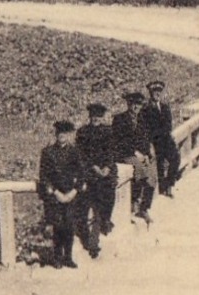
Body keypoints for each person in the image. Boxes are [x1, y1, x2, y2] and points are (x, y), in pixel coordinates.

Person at [37, 121, 85, 268]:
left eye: (64, 133)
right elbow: (43, 176)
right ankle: (57, 257)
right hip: (55, 196)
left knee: (70, 226)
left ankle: (68, 257)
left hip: (70, 194)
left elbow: (82, 173)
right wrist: (56, 192)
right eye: (59, 133)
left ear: (69, 135)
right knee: (58, 226)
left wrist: (74, 191)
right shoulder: (48, 152)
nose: (61, 136)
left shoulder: (75, 152)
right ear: (55, 134)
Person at [76, 102, 118, 256]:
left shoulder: (109, 131)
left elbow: (112, 151)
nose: (96, 119)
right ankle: (93, 243)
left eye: (99, 116)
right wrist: (94, 167)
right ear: (90, 116)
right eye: (94, 116)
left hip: (106, 173)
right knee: (94, 204)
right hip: (90, 172)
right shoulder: (83, 132)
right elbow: (81, 155)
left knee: (108, 197)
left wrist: (107, 167)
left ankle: (106, 220)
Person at [113, 91, 157, 224]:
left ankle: (144, 209)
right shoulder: (119, 119)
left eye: (138, 104)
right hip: (125, 154)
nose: (136, 107)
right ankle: (133, 203)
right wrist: (135, 152)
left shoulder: (143, 120)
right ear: (128, 104)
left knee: (152, 178)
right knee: (140, 172)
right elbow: (119, 141)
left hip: (140, 155)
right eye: (133, 104)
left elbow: (145, 140)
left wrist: (147, 155)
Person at [143, 81, 181, 199]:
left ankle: (169, 184)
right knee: (159, 164)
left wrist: (168, 136)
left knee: (175, 159)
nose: (157, 94)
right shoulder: (146, 109)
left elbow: (169, 125)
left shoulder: (165, 107)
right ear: (150, 93)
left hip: (166, 140)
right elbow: (146, 129)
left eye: (159, 92)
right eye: (155, 92)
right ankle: (162, 188)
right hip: (155, 142)